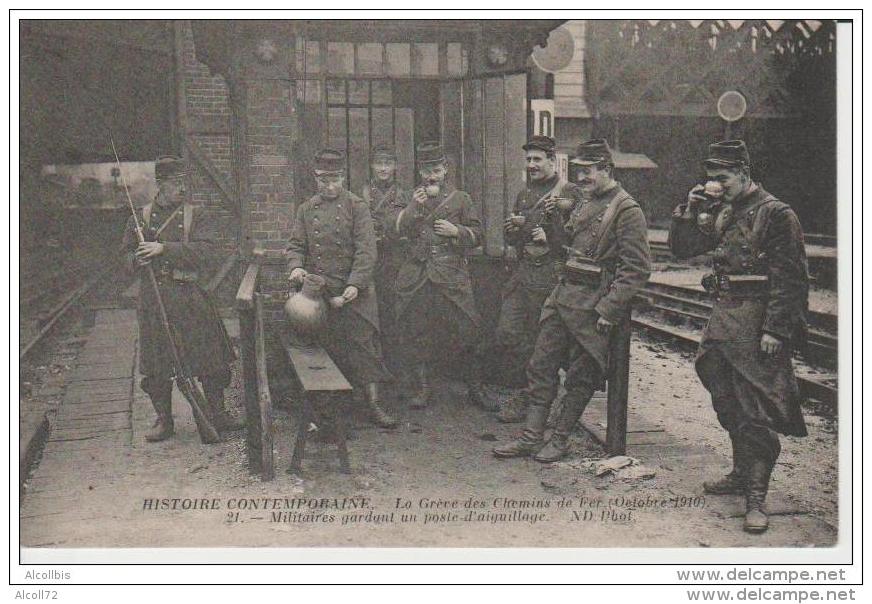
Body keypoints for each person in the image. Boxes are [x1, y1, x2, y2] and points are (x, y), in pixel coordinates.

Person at [668, 140, 809, 534]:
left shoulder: (777, 214)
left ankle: (756, 500)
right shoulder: (723, 210)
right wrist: (690, 209)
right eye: (711, 178)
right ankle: (738, 473)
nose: (716, 185)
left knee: (756, 413)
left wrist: (775, 330)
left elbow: (791, 279)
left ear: (745, 173)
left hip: (756, 325)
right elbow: (683, 250)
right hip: (723, 322)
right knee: (727, 401)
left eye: (723, 178)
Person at [493, 139, 651, 462]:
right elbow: (565, 245)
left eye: (589, 172)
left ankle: (560, 438)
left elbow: (636, 269)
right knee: (541, 365)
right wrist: (550, 225)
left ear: (607, 169)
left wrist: (609, 309)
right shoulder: (582, 202)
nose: (581, 179)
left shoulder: (626, 209)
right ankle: (530, 437)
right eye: (578, 172)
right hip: (563, 295)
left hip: (593, 305)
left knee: (581, 375)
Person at [123, 155, 239, 442]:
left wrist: (164, 249)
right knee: (157, 365)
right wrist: (137, 259)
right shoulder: (139, 218)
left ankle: (217, 413)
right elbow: (122, 261)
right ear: (160, 185)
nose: (183, 189)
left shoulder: (195, 216)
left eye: (185, 183)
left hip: (190, 297)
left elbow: (208, 253)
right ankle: (164, 420)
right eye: (177, 183)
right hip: (155, 301)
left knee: (211, 359)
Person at [286, 148, 397, 429]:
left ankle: (373, 404)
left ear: (343, 178)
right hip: (321, 292)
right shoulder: (306, 209)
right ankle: (326, 410)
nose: (329, 186)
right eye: (324, 180)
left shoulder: (357, 206)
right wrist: (296, 266)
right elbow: (296, 245)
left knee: (364, 347)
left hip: (354, 291)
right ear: (316, 178)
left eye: (334, 179)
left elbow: (366, 250)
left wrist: (355, 284)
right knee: (324, 348)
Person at [478, 134, 583, 422]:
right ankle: (530, 394)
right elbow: (513, 238)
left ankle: (547, 398)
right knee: (510, 333)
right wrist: (515, 229)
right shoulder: (524, 194)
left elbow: (578, 237)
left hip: (551, 275)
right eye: (528, 160)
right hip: (523, 274)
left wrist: (549, 234)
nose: (532, 165)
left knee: (547, 341)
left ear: (553, 161)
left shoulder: (570, 192)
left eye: (537, 159)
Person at [392, 141, 483, 409]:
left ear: (445, 170)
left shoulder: (461, 199)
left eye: (436, 169)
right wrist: (411, 208)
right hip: (419, 274)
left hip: (450, 273)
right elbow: (394, 231)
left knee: (469, 329)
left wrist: (458, 232)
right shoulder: (410, 198)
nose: (431, 176)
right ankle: (422, 389)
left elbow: (478, 235)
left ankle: (476, 388)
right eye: (426, 171)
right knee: (418, 331)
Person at [360, 146, 408, 374]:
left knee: (393, 312)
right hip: (371, 259)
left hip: (395, 259)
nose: (383, 168)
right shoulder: (362, 194)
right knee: (370, 312)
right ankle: (373, 366)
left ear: (395, 167)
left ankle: (395, 365)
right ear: (371, 166)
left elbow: (409, 226)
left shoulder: (403, 195)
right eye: (379, 163)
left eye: (388, 163)